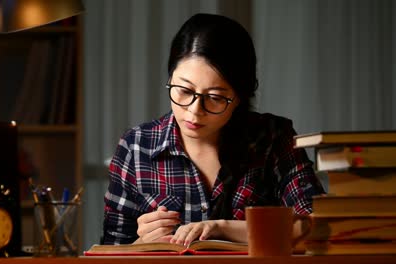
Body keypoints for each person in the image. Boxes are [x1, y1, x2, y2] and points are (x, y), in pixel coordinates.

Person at [102, 13, 324, 246]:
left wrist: (221, 228)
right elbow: (110, 249)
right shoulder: (136, 146)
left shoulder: (273, 137)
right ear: (170, 78)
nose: (195, 110)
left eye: (215, 97)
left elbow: (314, 225)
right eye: (184, 91)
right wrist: (141, 243)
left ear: (239, 97)